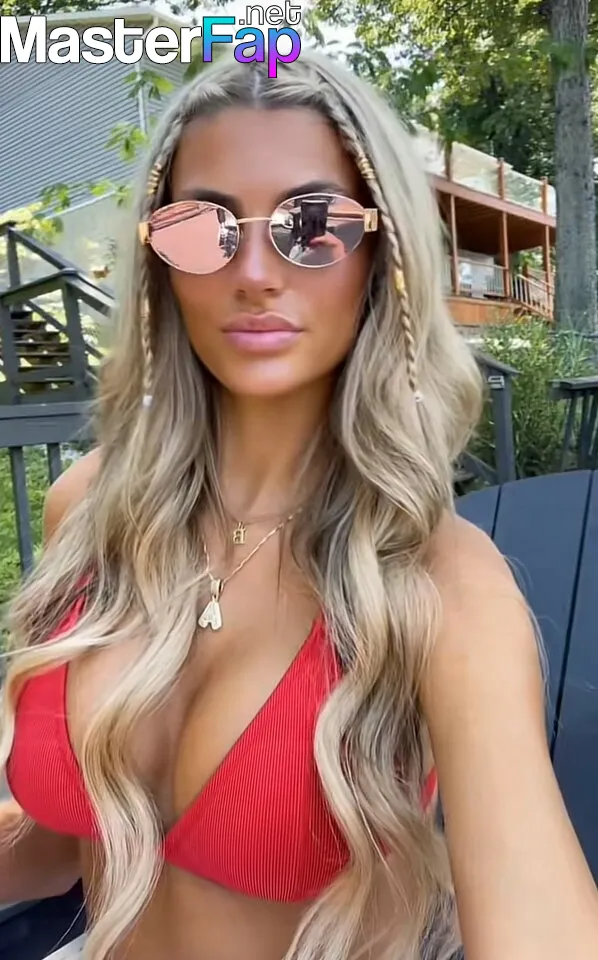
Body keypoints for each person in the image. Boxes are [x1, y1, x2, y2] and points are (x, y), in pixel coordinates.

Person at [1, 48, 597, 960]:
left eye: (312, 224)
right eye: (205, 226)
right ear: (161, 260)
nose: (253, 271)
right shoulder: (89, 510)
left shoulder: (442, 584)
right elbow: (66, 846)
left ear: (381, 257)